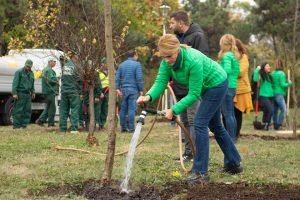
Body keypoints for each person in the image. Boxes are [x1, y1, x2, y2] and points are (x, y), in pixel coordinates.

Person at [137, 34, 242, 183]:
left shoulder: (192, 60)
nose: (166, 60)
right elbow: (161, 81)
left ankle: (200, 173)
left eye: (169, 56)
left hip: (217, 84)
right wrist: (148, 97)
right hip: (207, 88)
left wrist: (174, 109)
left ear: (177, 50)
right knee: (215, 125)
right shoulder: (166, 62)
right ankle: (233, 162)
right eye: (163, 57)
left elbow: (194, 94)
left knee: (199, 123)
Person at [169, 10, 209, 161]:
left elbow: (202, 61)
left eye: (172, 22)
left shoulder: (198, 36)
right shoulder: (178, 39)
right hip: (179, 88)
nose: (170, 25)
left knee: (194, 120)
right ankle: (188, 153)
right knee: (184, 121)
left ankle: (196, 154)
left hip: (192, 89)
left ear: (181, 22)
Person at [218, 34, 240, 142]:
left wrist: (217, 70)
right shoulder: (234, 55)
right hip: (233, 86)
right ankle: (233, 136)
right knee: (231, 114)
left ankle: (231, 138)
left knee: (227, 114)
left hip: (226, 86)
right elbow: (236, 71)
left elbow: (226, 70)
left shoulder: (226, 56)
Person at [115, 50, 144, 133]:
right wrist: (141, 90)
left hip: (123, 90)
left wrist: (117, 89)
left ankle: (123, 128)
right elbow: (139, 78)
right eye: (137, 55)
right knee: (132, 109)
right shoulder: (137, 64)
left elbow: (117, 78)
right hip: (133, 90)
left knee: (123, 110)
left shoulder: (121, 65)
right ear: (134, 55)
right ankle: (131, 128)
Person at [234, 39, 253, 139]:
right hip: (230, 88)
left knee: (237, 113)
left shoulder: (243, 57)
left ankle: (236, 135)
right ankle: (230, 134)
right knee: (228, 114)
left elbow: (241, 72)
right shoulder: (228, 56)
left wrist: (229, 70)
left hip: (241, 90)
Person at [59, 54, 82, 133]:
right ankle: (74, 129)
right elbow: (79, 80)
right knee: (74, 110)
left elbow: (62, 78)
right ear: (75, 58)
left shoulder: (65, 66)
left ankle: (62, 128)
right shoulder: (77, 67)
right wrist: (80, 92)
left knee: (63, 110)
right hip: (73, 91)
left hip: (64, 91)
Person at [36, 57, 59, 129]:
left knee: (48, 107)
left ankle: (40, 120)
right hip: (50, 91)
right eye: (54, 62)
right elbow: (51, 80)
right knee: (52, 108)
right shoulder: (49, 70)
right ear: (50, 62)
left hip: (47, 91)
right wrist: (58, 78)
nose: (55, 63)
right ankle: (51, 124)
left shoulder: (46, 69)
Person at [12, 59, 35, 129]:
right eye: (27, 66)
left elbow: (32, 83)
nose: (28, 68)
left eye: (30, 67)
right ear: (25, 65)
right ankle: (16, 126)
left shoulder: (31, 73)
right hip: (20, 93)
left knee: (27, 110)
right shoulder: (19, 72)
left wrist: (33, 92)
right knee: (18, 110)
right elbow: (15, 83)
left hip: (28, 94)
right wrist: (14, 93)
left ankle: (24, 125)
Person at [271, 59, 292, 130]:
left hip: (273, 93)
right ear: (282, 65)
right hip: (279, 94)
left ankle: (275, 124)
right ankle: (279, 124)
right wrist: (289, 83)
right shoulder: (282, 73)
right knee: (284, 109)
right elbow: (283, 85)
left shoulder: (273, 73)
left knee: (275, 110)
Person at [253, 63, 274, 131]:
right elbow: (255, 79)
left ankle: (264, 124)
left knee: (266, 111)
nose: (269, 67)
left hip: (270, 96)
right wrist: (257, 70)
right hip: (263, 96)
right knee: (270, 110)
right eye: (267, 66)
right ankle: (267, 125)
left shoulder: (270, 76)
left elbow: (272, 86)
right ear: (263, 68)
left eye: (269, 66)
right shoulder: (261, 76)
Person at [98, 57, 109, 129]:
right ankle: (99, 123)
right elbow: (96, 83)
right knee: (99, 109)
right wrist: (99, 92)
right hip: (100, 92)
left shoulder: (111, 72)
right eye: (106, 64)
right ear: (102, 64)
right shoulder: (98, 72)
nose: (108, 65)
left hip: (108, 92)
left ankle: (102, 124)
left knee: (105, 109)